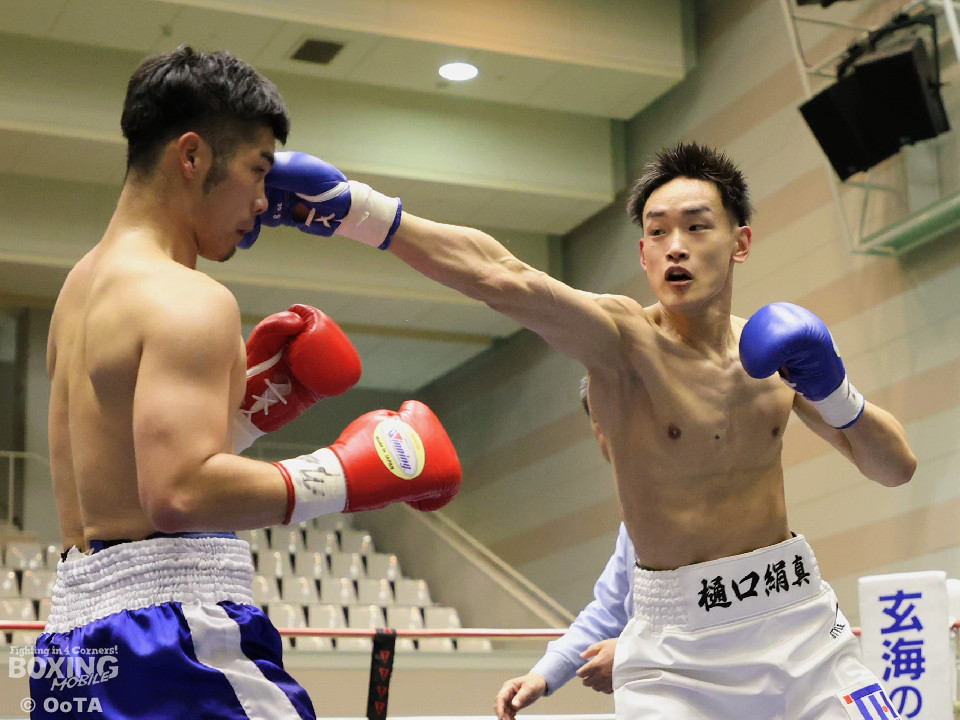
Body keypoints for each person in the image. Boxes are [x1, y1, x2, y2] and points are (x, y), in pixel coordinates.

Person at [248, 143, 918, 718]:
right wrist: (358, 210)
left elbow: (895, 469)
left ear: (740, 242)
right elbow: (501, 276)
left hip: (799, 622)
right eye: (658, 232)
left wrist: (834, 390)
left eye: (696, 226)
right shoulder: (623, 342)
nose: (676, 246)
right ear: (643, 253)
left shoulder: (779, 355)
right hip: (679, 652)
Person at [36, 46, 461, 719]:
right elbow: (178, 493)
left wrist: (251, 413)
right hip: (176, 642)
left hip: (75, 644)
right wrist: (347, 476)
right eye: (258, 171)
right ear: (192, 156)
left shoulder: (77, 294)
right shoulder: (189, 298)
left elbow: (124, 478)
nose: (264, 203)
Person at [495, 377, 634, 719]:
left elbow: (733, 618)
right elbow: (608, 612)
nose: (606, 435)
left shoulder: (715, 496)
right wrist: (541, 675)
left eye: (616, 416)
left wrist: (634, 654)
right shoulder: (637, 519)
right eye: (597, 421)